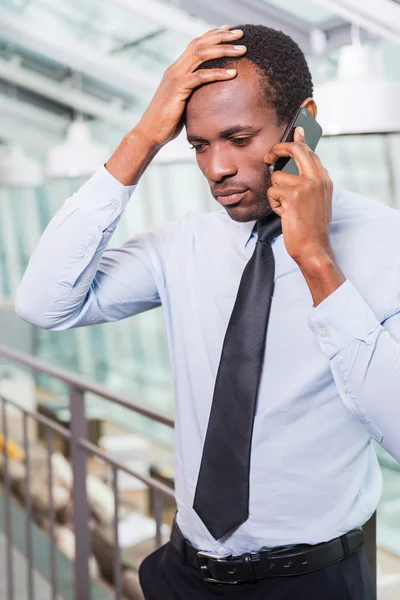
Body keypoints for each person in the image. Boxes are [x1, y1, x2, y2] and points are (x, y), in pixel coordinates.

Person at [15, 23, 400, 600]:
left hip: (313, 583)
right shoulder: (181, 244)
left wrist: (318, 263)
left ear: (304, 122)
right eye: (198, 144)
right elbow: (44, 303)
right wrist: (144, 136)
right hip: (183, 572)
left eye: (239, 138)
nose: (216, 168)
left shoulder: (385, 246)